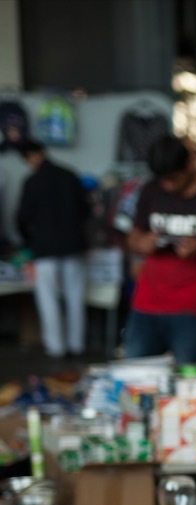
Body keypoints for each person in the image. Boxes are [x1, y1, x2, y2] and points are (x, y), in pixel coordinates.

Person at [123, 135, 196, 364]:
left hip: (193, 308)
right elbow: (132, 238)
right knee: (135, 372)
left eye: (173, 179)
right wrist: (142, 244)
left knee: (189, 378)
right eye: (162, 180)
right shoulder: (151, 189)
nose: (167, 186)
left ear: (189, 163)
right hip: (147, 303)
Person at [16, 139, 90, 360]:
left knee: (47, 298)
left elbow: (22, 218)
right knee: (75, 297)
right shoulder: (70, 175)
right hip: (73, 244)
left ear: (32, 156)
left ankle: (55, 347)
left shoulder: (32, 181)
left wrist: (29, 242)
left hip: (44, 246)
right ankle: (76, 344)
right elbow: (85, 210)